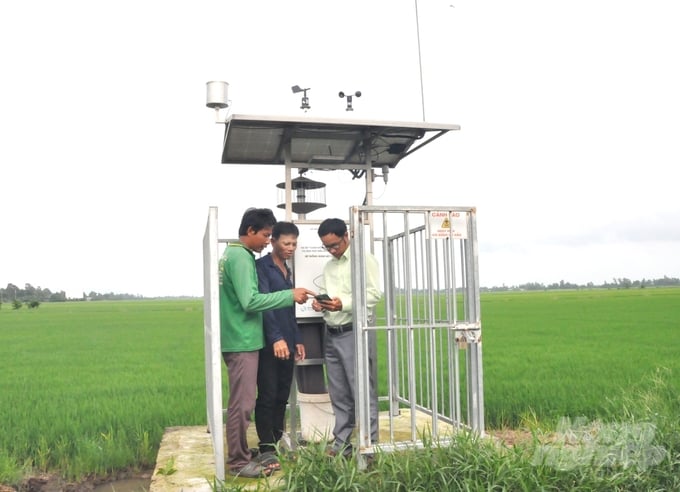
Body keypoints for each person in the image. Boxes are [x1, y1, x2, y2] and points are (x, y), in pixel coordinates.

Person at [219, 208, 314, 478]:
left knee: (262, 398)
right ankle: (240, 461)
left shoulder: (240, 256)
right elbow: (252, 302)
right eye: (265, 236)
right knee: (245, 403)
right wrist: (288, 296)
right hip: (244, 340)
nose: (266, 241)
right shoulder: (243, 258)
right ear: (250, 231)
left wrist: (293, 336)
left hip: (247, 338)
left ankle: (251, 451)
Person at [311, 218, 382, 457]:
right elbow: (333, 297)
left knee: (362, 389)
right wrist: (323, 304)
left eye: (334, 245)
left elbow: (373, 294)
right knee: (339, 392)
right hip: (331, 332)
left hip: (355, 332)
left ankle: (369, 445)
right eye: (326, 247)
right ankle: (342, 443)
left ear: (346, 236)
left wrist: (344, 304)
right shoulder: (330, 266)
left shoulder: (364, 260)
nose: (332, 250)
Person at [254, 221, 306, 467]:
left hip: (287, 340)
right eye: (286, 243)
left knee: (282, 394)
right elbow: (264, 305)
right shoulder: (261, 268)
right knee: (267, 393)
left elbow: (289, 309)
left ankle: (276, 441)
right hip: (269, 343)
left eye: (294, 243)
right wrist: (276, 338)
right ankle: (265, 447)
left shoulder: (286, 269)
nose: (291, 247)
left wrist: (296, 339)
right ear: (273, 241)